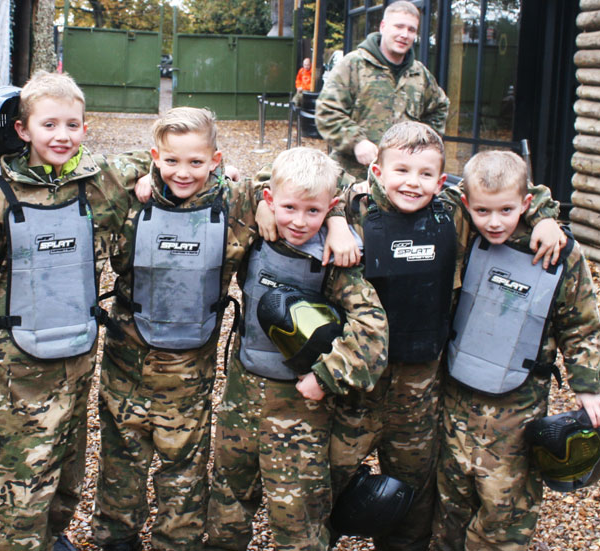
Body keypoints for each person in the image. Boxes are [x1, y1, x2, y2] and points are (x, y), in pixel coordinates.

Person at [93, 107, 360, 551]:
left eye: (196, 162)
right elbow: (83, 168)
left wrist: (335, 220)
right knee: (121, 459)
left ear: (216, 160)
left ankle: (175, 542)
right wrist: (145, 167)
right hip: (126, 358)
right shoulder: (130, 193)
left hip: (190, 368)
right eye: (171, 161)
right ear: (157, 156)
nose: (183, 172)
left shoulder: (236, 199)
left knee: (186, 465)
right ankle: (114, 538)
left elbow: (324, 182)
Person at [333, 121, 565, 551]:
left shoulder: (453, 212)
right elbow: (291, 183)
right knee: (330, 480)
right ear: (378, 172)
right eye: (401, 171)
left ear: (442, 181)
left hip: (419, 387)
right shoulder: (354, 207)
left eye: (425, 175)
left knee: (413, 493)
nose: (412, 183)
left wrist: (545, 217)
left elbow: (508, 190)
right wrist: (331, 221)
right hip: (356, 384)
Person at [0, 71, 152, 551]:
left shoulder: (99, 183)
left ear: (85, 127)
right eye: (49, 125)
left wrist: (147, 177)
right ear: (23, 130)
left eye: (73, 125)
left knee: (68, 462)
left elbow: (173, 158)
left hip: (77, 353)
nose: (62, 136)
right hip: (18, 362)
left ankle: (53, 532)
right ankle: (18, 541)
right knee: (24, 469)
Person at [205, 146, 389, 551]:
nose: (299, 221)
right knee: (227, 503)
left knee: (298, 518)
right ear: (271, 200)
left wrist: (326, 376)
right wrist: (259, 201)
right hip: (242, 395)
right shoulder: (254, 230)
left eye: (314, 211)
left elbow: (372, 332)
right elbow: (214, 178)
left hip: (300, 413)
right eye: (289, 207)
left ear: (331, 207)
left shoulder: (335, 258)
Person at [431, 150, 600, 550]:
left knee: (505, 510)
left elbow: (580, 322)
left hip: (519, 404)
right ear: (468, 205)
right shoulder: (463, 230)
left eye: (506, 210)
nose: (494, 221)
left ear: (525, 204)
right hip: (455, 398)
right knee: (450, 506)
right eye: (483, 211)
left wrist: (588, 383)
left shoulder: (555, 250)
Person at [315, 0, 449, 179]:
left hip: (402, 180)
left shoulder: (419, 74)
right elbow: (327, 112)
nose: (404, 34)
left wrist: (423, 144)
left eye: (411, 30)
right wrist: (357, 142)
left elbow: (440, 107)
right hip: (354, 178)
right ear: (383, 26)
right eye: (399, 26)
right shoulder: (354, 65)